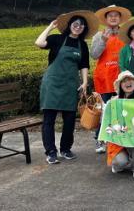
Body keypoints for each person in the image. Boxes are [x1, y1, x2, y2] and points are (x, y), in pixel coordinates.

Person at [35, 10, 98, 164]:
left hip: (70, 84)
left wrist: (84, 82)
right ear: (69, 25)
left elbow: (84, 65)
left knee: (69, 119)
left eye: (81, 25)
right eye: (75, 24)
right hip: (52, 83)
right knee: (49, 119)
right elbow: (39, 43)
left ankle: (65, 149)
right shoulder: (57, 39)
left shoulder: (82, 45)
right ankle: (51, 151)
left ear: (84, 29)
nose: (78, 27)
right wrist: (50, 27)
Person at [91, 4, 132, 153]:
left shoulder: (126, 35)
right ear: (106, 19)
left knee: (124, 110)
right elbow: (94, 55)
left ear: (120, 18)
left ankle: (125, 139)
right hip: (105, 78)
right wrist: (103, 40)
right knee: (106, 110)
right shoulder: (98, 35)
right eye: (110, 16)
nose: (113, 18)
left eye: (116, 15)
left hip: (123, 79)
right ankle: (101, 139)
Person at [108, 71, 134, 178]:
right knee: (119, 163)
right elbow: (107, 118)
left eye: (130, 79)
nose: (127, 82)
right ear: (120, 85)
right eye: (124, 81)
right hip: (118, 138)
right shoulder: (115, 100)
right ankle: (123, 163)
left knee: (133, 138)